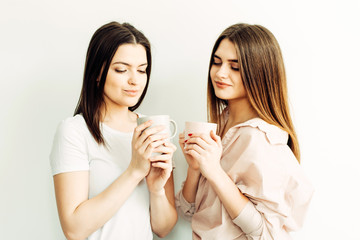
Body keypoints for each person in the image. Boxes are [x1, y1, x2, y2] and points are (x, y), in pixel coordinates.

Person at [176, 23, 314, 239]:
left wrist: (214, 171)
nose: (220, 73)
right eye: (216, 62)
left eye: (235, 66)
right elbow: (188, 211)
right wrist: (195, 168)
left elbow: (266, 234)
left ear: (259, 72)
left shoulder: (261, 139)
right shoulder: (220, 125)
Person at [49, 21, 177, 240]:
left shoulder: (151, 128)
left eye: (142, 70)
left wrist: (156, 190)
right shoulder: (74, 131)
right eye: (121, 69)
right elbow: (74, 229)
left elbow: (163, 229)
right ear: (97, 72)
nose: (134, 80)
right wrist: (134, 171)